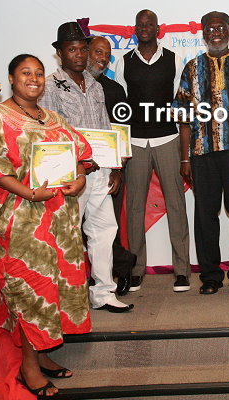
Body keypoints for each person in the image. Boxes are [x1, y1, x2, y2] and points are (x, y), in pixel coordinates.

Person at [0, 54, 91, 397]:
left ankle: (42, 355)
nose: (34, 78)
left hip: (58, 221)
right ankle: (28, 366)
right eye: (26, 73)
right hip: (20, 223)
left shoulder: (53, 118)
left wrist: (79, 179)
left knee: (53, 289)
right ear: (11, 79)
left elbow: (79, 154)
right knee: (30, 290)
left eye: (39, 73)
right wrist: (29, 193)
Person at [40, 22, 133, 313]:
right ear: (60, 54)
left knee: (104, 231)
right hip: (70, 175)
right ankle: (62, 296)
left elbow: (106, 128)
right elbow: (50, 133)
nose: (79, 55)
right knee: (66, 235)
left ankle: (103, 292)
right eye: (72, 49)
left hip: (100, 172)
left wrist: (115, 167)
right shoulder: (50, 86)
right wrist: (77, 162)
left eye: (82, 49)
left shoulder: (95, 85)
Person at [173, 11, 229, 295]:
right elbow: (183, 116)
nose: (216, 32)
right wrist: (185, 157)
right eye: (210, 29)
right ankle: (210, 276)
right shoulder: (192, 67)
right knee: (205, 216)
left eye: (221, 28)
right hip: (203, 152)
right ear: (203, 34)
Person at [114, 9, 191, 292]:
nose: (145, 28)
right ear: (135, 29)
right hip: (135, 142)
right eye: (140, 24)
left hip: (168, 138)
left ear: (158, 29)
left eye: (150, 24)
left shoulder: (174, 59)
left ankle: (182, 270)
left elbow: (181, 104)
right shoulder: (124, 62)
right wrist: (121, 147)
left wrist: (184, 149)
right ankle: (135, 269)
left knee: (176, 205)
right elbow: (120, 109)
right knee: (134, 207)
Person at [86, 34, 137, 296]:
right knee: (80, 229)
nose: (103, 58)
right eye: (98, 52)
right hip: (77, 169)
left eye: (107, 54)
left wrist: (118, 170)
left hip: (109, 171)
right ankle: (96, 275)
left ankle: (122, 265)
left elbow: (122, 132)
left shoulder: (115, 90)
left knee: (106, 227)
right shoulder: (64, 87)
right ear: (84, 52)